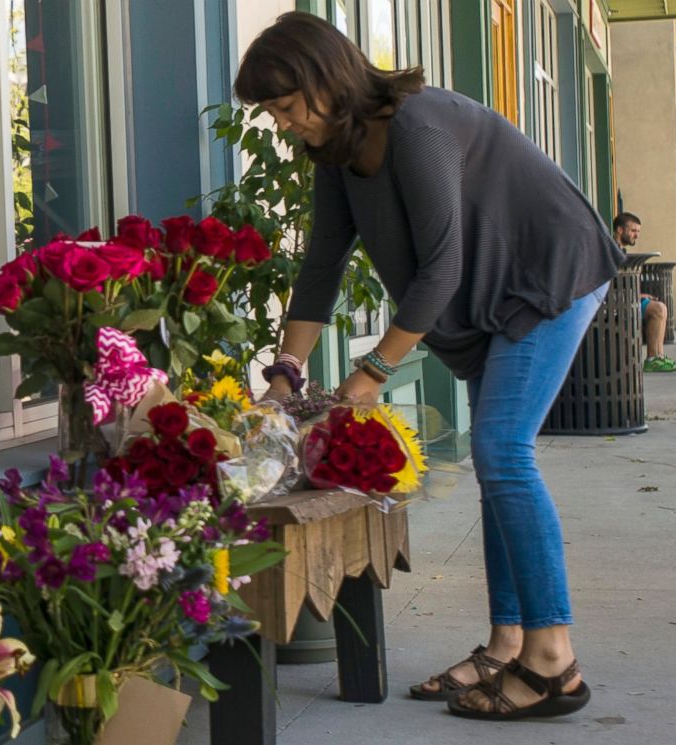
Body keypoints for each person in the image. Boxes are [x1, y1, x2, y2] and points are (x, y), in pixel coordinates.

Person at [239, 12, 625, 721]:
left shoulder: (415, 127)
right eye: (271, 114)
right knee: (497, 459)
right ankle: (510, 640)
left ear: (326, 82)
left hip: (548, 273)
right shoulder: (335, 151)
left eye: (286, 107)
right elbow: (323, 263)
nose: (281, 125)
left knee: (502, 450)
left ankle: (554, 660)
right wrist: (286, 370)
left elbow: (440, 266)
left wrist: (372, 374)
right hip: (491, 293)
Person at [612, 212, 676, 371]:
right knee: (658, 309)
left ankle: (658, 357)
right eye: (633, 231)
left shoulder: (619, 250)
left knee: (661, 307)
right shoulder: (610, 251)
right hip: (614, 302)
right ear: (620, 230)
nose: (636, 235)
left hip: (623, 298)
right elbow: (609, 284)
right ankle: (652, 359)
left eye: (638, 231)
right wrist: (635, 295)